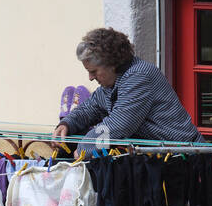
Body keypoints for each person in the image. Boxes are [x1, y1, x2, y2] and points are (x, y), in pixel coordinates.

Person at [53, 27, 201, 144]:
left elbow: (118, 125)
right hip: (162, 157)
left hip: (186, 157)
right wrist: (67, 124)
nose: (90, 78)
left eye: (94, 72)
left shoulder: (139, 76)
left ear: (111, 63)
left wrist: (84, 147)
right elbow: (90, 108)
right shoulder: (111, 83)